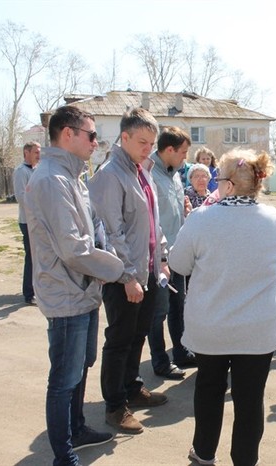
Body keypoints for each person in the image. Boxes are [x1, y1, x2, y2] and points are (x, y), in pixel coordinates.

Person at [169, 148, 276, 466]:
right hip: (257, 330)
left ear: (230, 185)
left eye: (218, 179)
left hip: (212, 328)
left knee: (208, 390)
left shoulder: (203, 218)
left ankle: (204, 453)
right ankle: (245, 460)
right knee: (250, 400)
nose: (215, 185)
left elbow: (178, 262)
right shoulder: (273, 219)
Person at [24, 105, 124, 466]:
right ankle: (63, 454)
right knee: (64, 377)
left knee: (81, 365)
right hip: (66, 292)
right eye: (91, 135)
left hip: (83, 289)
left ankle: (77, 428)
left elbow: (94, 229)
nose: (96, 142)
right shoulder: (52, 179)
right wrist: (121, 270)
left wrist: (108, 255)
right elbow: (74, 248)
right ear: (68, 134)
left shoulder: (72, 177)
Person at [88, 107, 170, 435]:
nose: (148, 148)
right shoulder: (110, 174)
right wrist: (127, 277)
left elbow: (152, 222)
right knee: (120, 338)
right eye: (142, 142)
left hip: (146, 270)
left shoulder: (142, 170)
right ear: (124, 137)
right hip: (123, 275)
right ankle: (114, 406)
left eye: (151, 142)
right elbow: (110, 232)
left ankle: (132, 387)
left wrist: (160, 259)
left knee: (139, 334)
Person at [146, 126, 194, 381]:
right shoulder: (149, 173)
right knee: (159, 310)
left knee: (179, 305)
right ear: (168, 150)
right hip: (158, 255)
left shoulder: (174, 174)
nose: (185, 158)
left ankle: (181, 351)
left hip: (177, 250)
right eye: (183, 153)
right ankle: (160, 361)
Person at [13, 141, 41, 305]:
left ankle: (38, 287)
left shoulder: (38, 170)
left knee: (41, 256)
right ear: (26, 153)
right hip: (28, 221)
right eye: (36, 152)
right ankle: (29, 293)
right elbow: (22, 197)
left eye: (39, 152)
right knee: (31, 257)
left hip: (40, 220)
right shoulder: (21, 172)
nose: (39, 155)